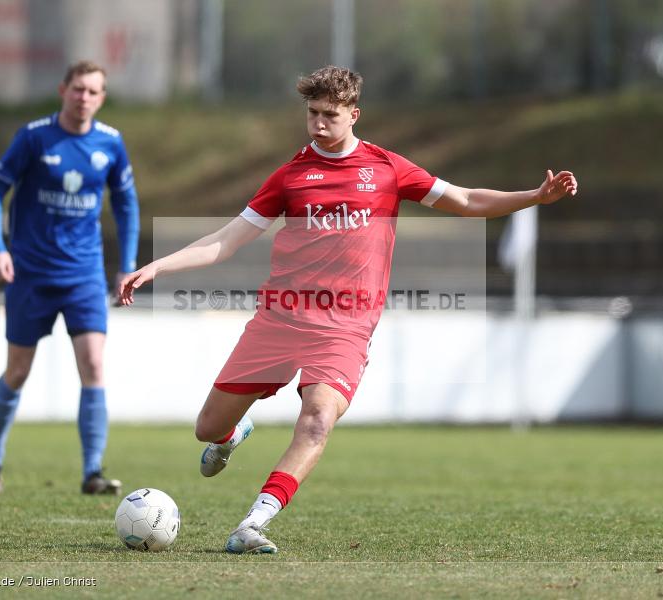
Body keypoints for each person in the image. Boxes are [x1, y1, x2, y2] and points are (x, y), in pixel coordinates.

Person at [118, 65, 577, 553]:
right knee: (207, 428)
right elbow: (226, 240)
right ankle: (230, 436)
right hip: (281, 317)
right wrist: (158, 266)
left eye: (329, 115)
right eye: (312, 113)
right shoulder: (291, 176)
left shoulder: (386, 168)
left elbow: (464, 199)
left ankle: (253, 524)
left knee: (317, 419)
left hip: (346, 327)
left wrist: (534, 197)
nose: (318, 124)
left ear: (353, 114)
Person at [0, 60, 140, 496]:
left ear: (102, 98)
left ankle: (92, 472)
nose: (84, 97)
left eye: (93, 91)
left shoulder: (110, 143)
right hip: (30, 273)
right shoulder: (34, 137)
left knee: (94, 364)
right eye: (78, 89)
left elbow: (126, 204)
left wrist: (126, 263)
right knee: (18, 370)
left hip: (84, 274)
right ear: (63, 90)